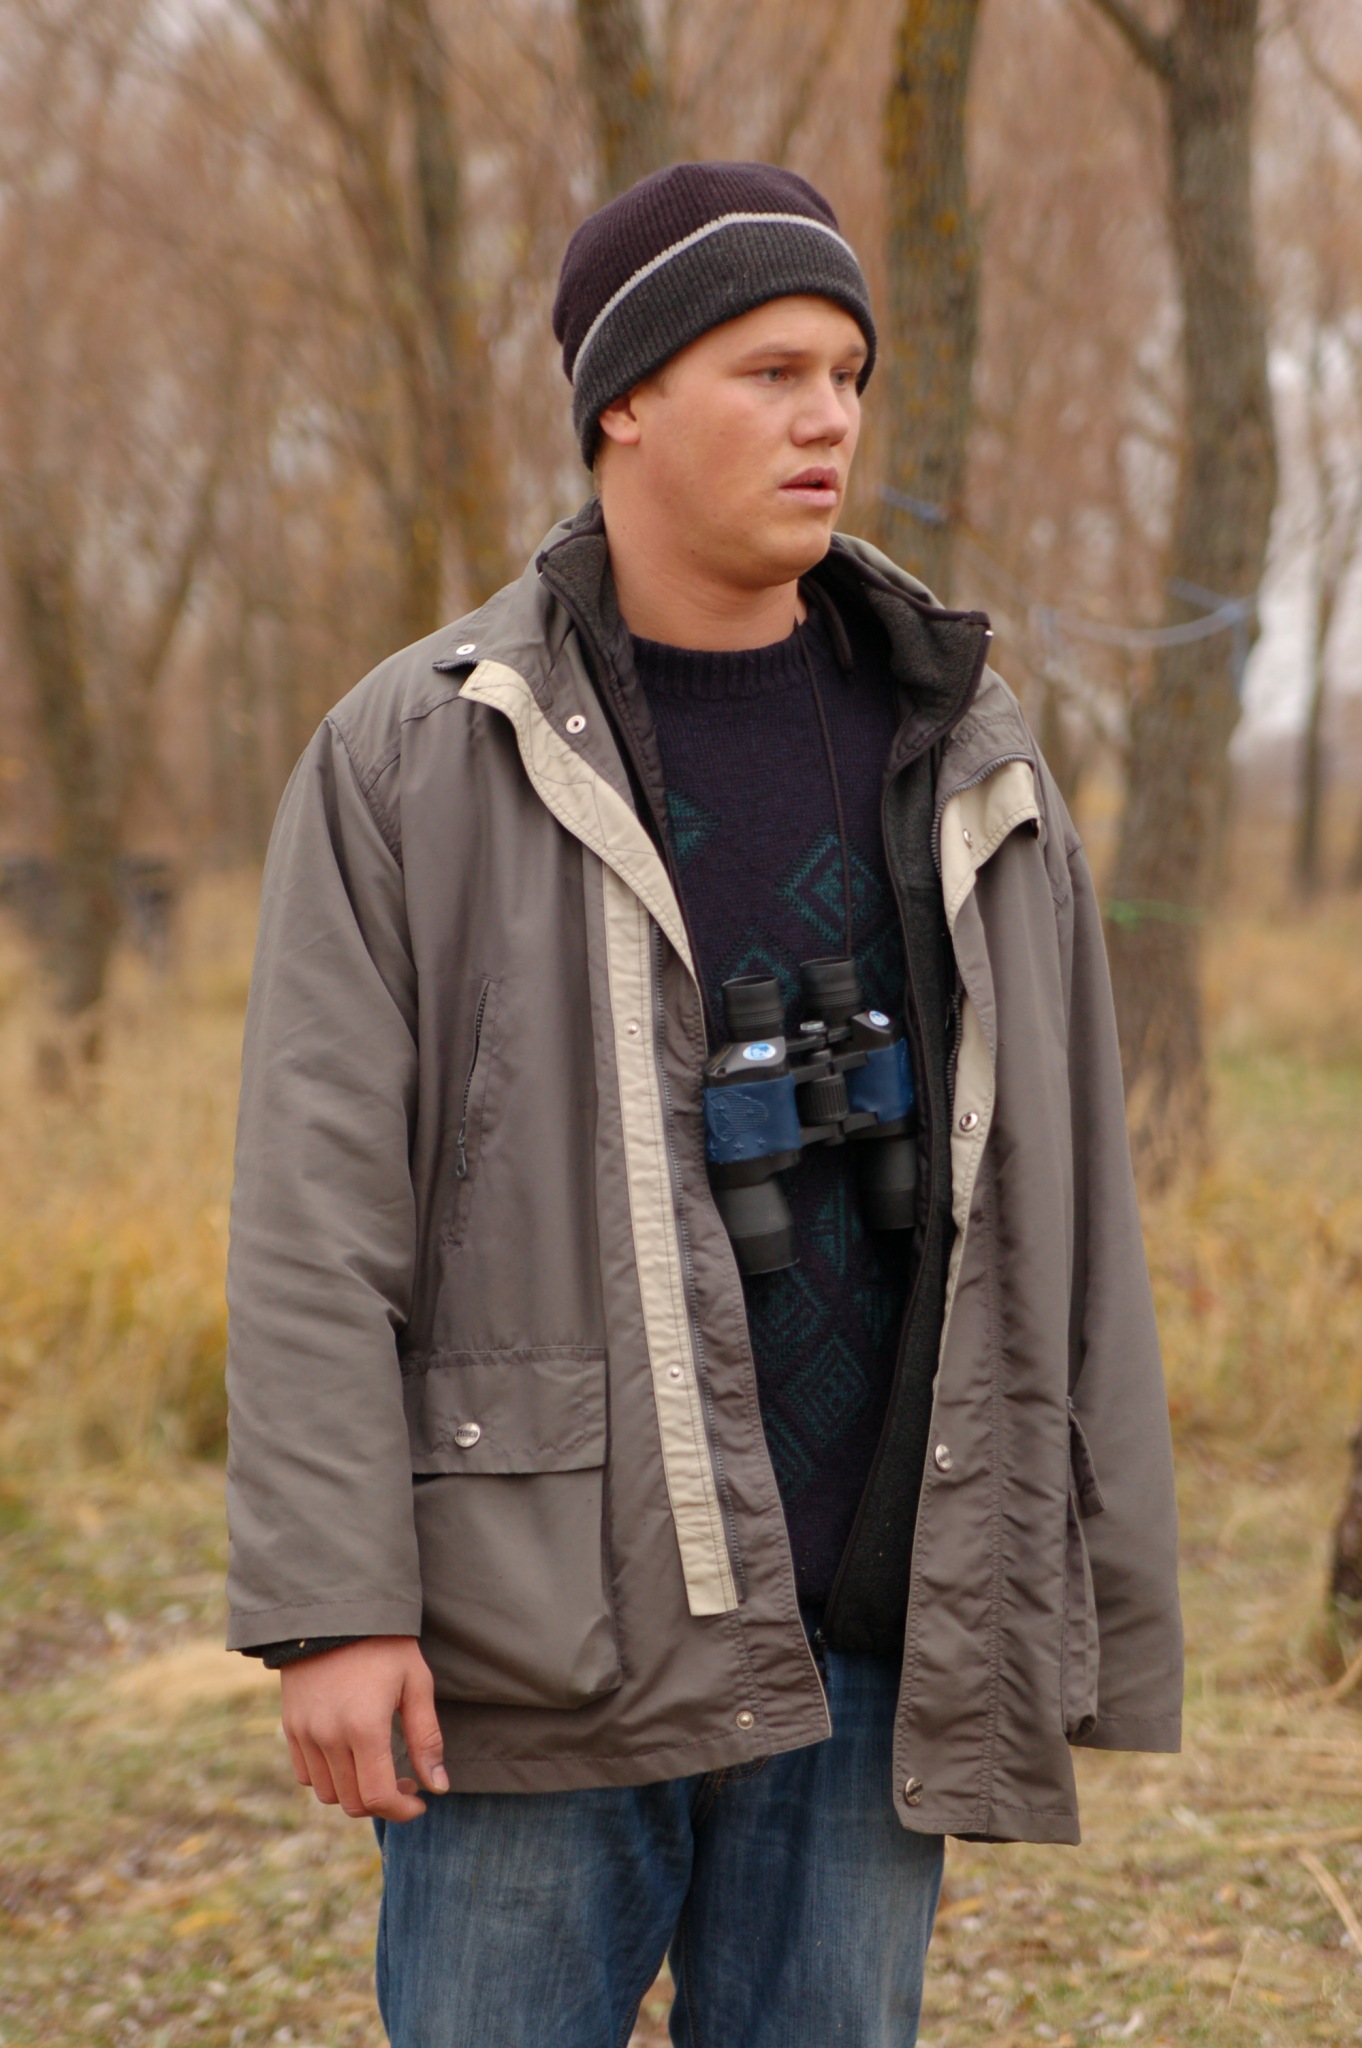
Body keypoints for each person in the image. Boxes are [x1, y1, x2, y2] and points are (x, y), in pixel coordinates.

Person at [225, 161, 1183, 2048]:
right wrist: (334, 1606)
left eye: (847, 374)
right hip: (540, 1636)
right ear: (624, 405)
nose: (828, 419)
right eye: (769, 372)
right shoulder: (419, 752)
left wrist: (1097, 1589)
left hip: (871, 1625)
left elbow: (1071, 1212)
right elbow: (314, 1216)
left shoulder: (966, 752)